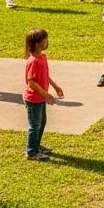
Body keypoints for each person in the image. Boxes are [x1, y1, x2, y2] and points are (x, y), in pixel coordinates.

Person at [23, 28, 64, 162]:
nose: (47, 41)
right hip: (33, 99)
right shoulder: (34, 61)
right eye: (44, 39)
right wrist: (46, 94)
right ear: (36, 43)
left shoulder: (42, 57)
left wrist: (55, 86)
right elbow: (31, 83)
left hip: (40, 98)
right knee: (35, 125)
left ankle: (36, 145)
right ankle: (31, 151)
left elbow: (46, 75)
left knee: (42, 122)